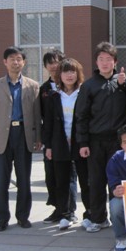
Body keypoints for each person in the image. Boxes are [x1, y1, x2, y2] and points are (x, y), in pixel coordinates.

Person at [0, 46, 41, 231]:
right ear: (5, 62)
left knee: (24, 179)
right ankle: (2, 218)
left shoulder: (32, 86)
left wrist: (38, 137)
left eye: (19, 59)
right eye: (12, 59)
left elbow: (37, 114)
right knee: (1, 180)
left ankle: (23, 216)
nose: (15, 62)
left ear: (24, 62)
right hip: (2, 137)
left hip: (24, 135)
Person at [76, 42, 126, 232]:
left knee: (118, 181)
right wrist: (83, 142)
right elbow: (81, 116)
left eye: (109, 59)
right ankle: (99, 219)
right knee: (96, 181)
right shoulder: (89, 86)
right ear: (96, 62)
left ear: (115, 62)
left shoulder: (123, 83)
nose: (105, 63)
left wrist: (124, 86)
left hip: (117, 142)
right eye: (101, 59)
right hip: (95, 141)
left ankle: (121, 218)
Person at [43, 58, 90, 230]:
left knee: (86, 180)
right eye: (65, 71)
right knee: (62, 181)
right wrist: (48, 146)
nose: (69, 75)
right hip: (60, 143)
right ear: (59, 75)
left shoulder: (84, 93)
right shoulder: (54, 96)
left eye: (72, 71)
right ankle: (66, 214)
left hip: (81, 143)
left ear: (78, 74)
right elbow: (48, 123)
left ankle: (90, 214)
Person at [40, 49, 64, 222]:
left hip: (69, 138)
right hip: (51, 138)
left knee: (68, 177)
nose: (54, 66)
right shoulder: (44, 89)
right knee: (51, 176)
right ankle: (57, 208)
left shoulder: (71, 85)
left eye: (57, 61)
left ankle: (68, 210)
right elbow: (42, 116)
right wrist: (46, 142)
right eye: (50, 63)